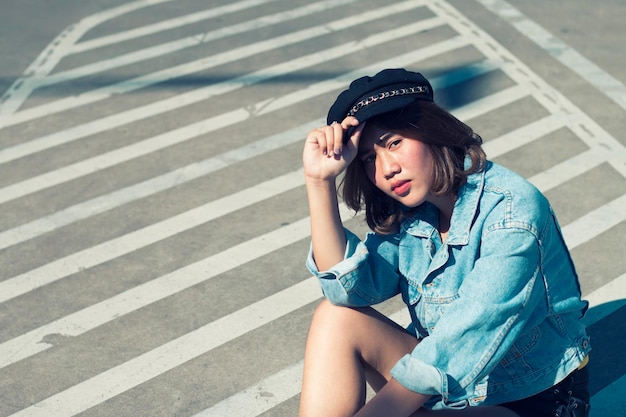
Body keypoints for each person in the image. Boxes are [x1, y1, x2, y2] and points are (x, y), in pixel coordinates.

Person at [299, 68, 591, 417]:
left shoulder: (512, 213)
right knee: (335, 319)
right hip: (446, 391)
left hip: (530, 401)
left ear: (431, 130)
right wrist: (318, 182)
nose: (387, 168)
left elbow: (463, 340)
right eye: (369, 159)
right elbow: (348, 290)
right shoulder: (414, 213)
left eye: (394, 143)